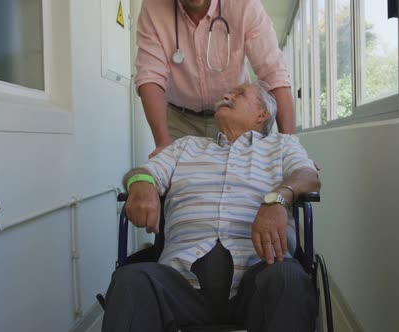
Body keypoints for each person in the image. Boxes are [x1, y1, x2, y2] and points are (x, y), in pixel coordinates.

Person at [102, 81, 320, 332]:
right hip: (179, 283)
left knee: (289, 278)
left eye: (239, 94)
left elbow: (308, 176)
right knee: (130, 281)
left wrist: (279, 198)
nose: (226, 94)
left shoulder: (282, 145)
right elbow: (144, 172)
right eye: (227, 92)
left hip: (258, 279)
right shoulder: (184, 147)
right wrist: (141, 184)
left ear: (263, 114)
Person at [135, 0, 296, 157]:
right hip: (180, 120)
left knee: (242, 180)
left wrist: (289, 148)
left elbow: (273, 72)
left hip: (235, 119)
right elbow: (150, 76)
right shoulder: (153, 5)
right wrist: (163, 143)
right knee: (182, 181)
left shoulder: (245, 4)